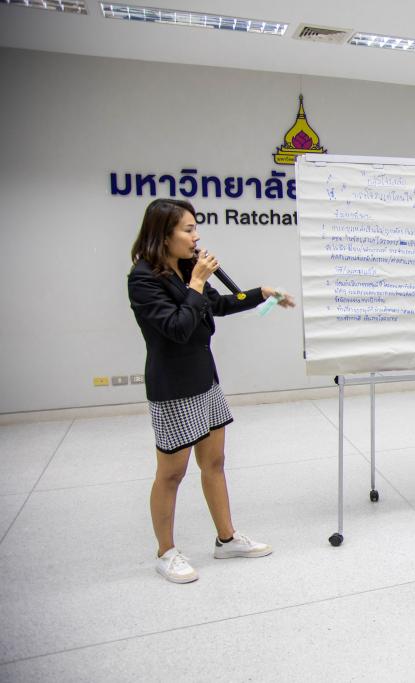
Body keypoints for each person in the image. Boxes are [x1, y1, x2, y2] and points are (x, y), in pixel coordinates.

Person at [127, 198, 294, 583]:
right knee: (172, 473)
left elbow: (216, 305)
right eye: (188, 229)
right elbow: (177, 327)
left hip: (205, 379)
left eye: (195, 228)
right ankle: (166, 552)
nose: (196, 237)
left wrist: (262, 292)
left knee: (214, 461)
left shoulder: (186, 267)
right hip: (173, 387)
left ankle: (227, 539)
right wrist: (198, 281)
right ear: (163, 234)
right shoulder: (143, 278)